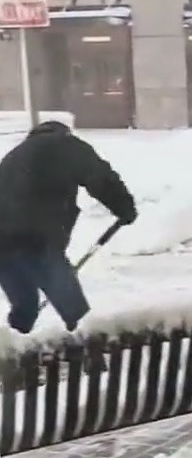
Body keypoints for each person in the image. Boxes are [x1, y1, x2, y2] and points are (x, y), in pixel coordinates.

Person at [0, 121, 137, 335]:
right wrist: (125, 208)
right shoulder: (67, 146)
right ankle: (93, 361)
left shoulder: (14, 156)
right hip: (38, 240)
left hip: (3, 246)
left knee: (25, 308)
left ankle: (13, 359)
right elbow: (100, 177)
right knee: (74, 309)